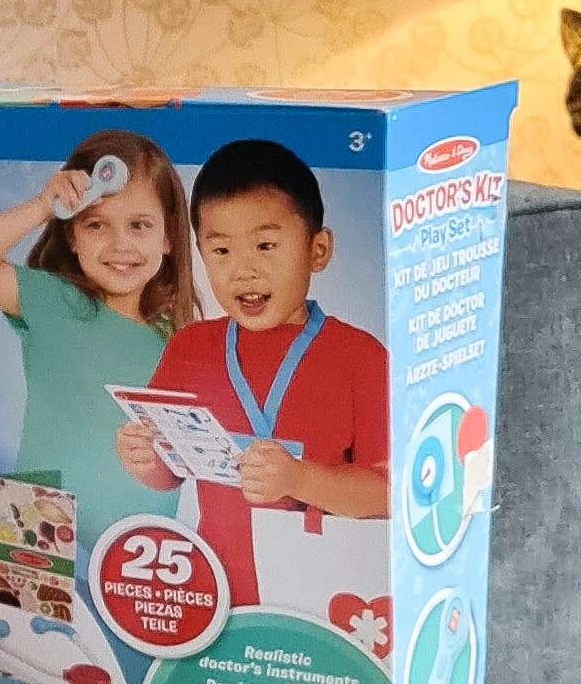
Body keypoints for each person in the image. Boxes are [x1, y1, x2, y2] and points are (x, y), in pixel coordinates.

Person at [114, 135, 389, 604]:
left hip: (322, 597)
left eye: (265, 245)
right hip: (215, 592)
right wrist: (146, 458)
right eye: (221, 251)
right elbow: (171, 473)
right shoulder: (190, 348)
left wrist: (298, 479)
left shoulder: (361, 356)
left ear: (318, 250)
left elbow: (388, 495)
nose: (243, 270)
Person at [0, 129, 190, 567]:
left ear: (168, 237)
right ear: (72, 234)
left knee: (116, 615)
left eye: (139, 225)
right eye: (96, 224)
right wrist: (44, 206)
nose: (120, 244)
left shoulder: (182, 338)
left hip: (139, 535)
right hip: (36, 514)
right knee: (21, 615)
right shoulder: (54, 300)